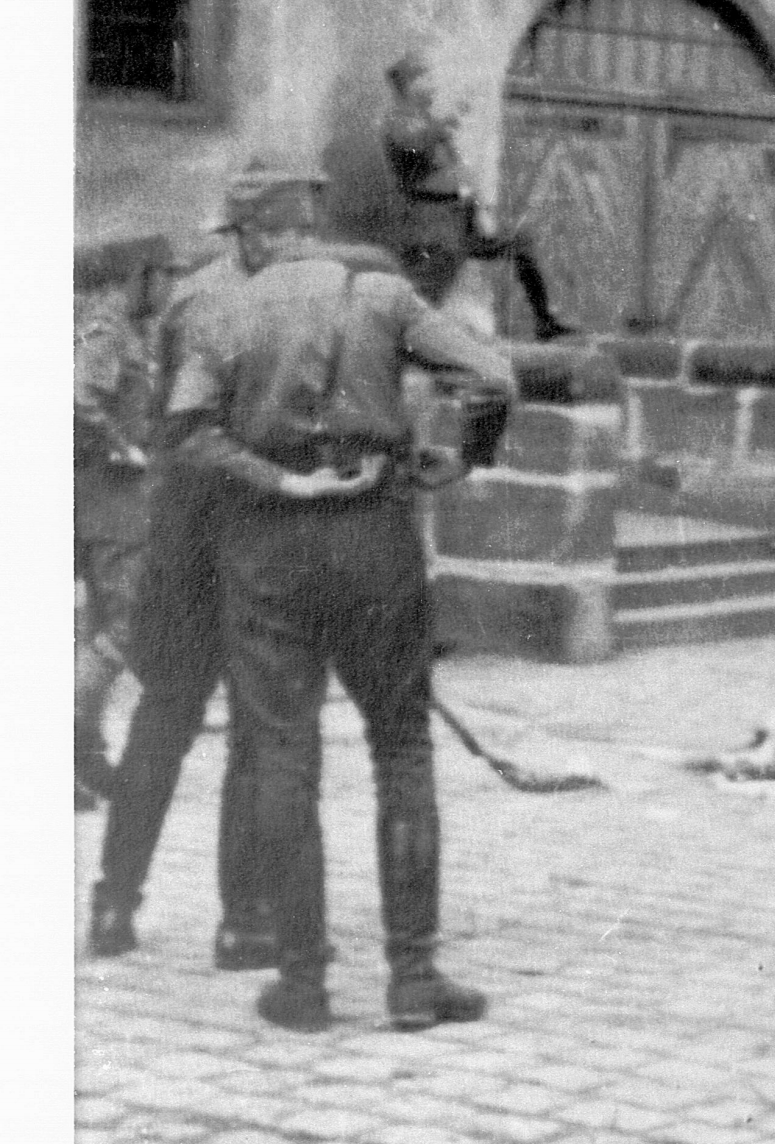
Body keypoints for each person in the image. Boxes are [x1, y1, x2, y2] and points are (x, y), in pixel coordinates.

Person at [165, 172, 516, 1032]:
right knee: (400, 748)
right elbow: (492, 376)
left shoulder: (223, 311)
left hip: (268, 550)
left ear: (249, 236)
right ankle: (413, 977)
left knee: (282, 754)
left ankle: (304, 982)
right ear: (310, 222)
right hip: (376, 540)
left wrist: (280, 475)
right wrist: (459, 456)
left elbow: (186, 435)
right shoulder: (383, 293)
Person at [89, 163, 394, 966]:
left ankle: (116, 904)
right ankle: (238, 919)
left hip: (193, 536)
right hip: (234, 539)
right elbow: (201, 430)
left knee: (172, 721)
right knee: (244, 736)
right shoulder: (238, 304)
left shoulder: (199, 297)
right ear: (260, 234)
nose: (301, 245)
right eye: (290, 230)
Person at [381, 49, 572, 336]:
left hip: (456, 219)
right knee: (426, 294)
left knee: (520, 245)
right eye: (424, 77)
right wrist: (446, 123)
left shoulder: (424, 118)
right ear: (407, 85)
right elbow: (413, 144)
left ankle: (544, 322)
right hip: (430, 222)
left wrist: (474, 198)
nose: (432, 84)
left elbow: (450, 166)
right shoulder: (398, 119)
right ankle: (403, 339)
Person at [74, 239, 169, 810]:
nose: (168, 290)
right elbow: (81, 397)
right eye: (164, 278)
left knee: (103, 629)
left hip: (113, 505)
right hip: (115, 506)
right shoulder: (109, 330)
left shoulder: (120, 329)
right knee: (127, 626)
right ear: (142, 276)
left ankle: (85, 757)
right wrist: (124, 447)